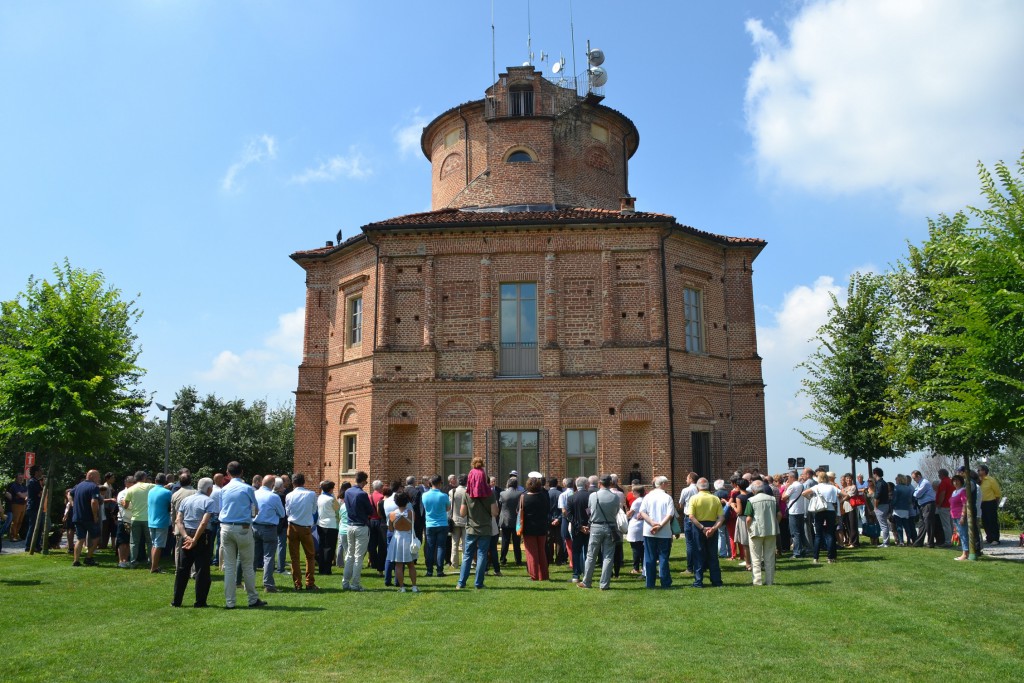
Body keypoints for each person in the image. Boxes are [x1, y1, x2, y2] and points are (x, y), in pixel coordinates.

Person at [218, 461, 265, 609]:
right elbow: (255, 508)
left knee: (230, 567)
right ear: (242, 472)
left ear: (227, 472)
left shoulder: (223, 490)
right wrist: (250, 518)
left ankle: (230, 602)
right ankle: (252, 599)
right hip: (243, 528)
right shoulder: (247, 488)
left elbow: (221, 508)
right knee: (247, 565)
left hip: (226, 527)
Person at [172, 477, 217, 608]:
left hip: (186, 534)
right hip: (202, 536)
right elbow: (204, 522)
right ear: (209, 489)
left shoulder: (186, 500)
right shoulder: (209, 501)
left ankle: (177, 600)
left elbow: (178, 520)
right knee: (202, 570)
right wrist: (195, 540)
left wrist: (186, 537)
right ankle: (200, 601)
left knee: (182, 569)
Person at [578, 474, 620, 590]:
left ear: (599, 483)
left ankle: (586, 582)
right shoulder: (615, 497)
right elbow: (616, 511)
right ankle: (604, 584)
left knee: (591, 555)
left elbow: (590, 510)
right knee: (608, 556)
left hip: (596, 527)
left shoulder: (593, 495)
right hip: (611, 527)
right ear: (611, 483)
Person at [457, 473, 498, 590]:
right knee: (482, 555)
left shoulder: (468, 493)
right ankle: (478, 583)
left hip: (471, 528)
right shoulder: (490, 494)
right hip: (485, 528)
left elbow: (462, 513)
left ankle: (461, 583)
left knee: (467, 555)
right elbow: (495, 513)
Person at [638, 475, 676, 589]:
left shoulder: (648, 497)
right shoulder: (667, 497)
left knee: (650, 557)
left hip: (649, 531)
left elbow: (642, 512)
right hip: (664, 532)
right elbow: (670, 514)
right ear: (663, 484)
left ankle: (650, 583)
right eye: (667, 483)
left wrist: (652, 522)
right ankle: (665, 582)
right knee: (663, 557)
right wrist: (659, 525)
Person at [687, 478, 725, 588]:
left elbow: (691, 516)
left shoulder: (694, 498)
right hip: (712, 525)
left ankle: (698, 581)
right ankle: (716, 581)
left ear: (698, 487)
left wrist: (702, 528)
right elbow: (721, 517)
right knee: (713, 554)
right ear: (708, 486)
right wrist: (713, 528)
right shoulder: (715, 498)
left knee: (698, 554)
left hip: (698, 527)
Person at [285, 473, 319, 592]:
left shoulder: (289, 495)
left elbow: (287, 512)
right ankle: (309, 583)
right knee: (310, 556)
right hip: (305, 527)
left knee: (294, 557)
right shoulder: (311, 494)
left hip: (292, 527)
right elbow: (314, 510)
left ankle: (297, 584)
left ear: (293, 483)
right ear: (304, 482)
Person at [253, 473, 286, 592]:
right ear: (273, 485)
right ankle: (268, 584)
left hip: (254, 527)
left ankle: (249, 583)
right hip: (269, 528)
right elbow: (282, 514)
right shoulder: (274, 497)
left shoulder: (254, 493)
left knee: (253, 557)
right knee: (268, 557)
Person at [745, 479, 780, 585]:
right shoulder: (772, 499)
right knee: (769, 557)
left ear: (753, 490)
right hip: (771, 530)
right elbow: (779, 515)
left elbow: (748, 518)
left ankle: (757, 581)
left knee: (756, 557)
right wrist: (774, 523)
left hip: (756, 530)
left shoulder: (751, 500)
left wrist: (748, 528)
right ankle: (770, 581)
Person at [343, 471, 373, 592]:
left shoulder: (347, 492)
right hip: (360, 526)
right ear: (363, 480)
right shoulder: (362, 494)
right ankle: (355, 584)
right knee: (358, 556)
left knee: (350, 555)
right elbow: (370, 510)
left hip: (349, 525)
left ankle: (345, 582)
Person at [803, 471, 839, 564]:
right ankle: (830, 557)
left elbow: (804, 493)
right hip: (830, 510)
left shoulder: (817, 487)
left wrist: (812, 499)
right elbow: (844, 494)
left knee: (818, 534)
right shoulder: (832, 487)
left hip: (819, 510)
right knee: (830, 534)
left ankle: (816, 557)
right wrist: (840, 500)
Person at [519, 475, 551, 581]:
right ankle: (544, 575)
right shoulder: (544, 496)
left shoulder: (524, 497)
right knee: (542, 551)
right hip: (542, 527)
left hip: (529, 528)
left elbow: (518, 511)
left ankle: (534, 575)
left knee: (531, 552)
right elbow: (547, 510)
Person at [70, 469, 103, 567]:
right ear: (92, 476)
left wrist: (73, 504)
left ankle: (76, 560)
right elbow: (94, 502)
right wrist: (95, 515)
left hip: (77, 516)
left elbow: (69, 494)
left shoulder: (78, 486)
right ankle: (88, 557)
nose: (99, 479)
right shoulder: (94, 487)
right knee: (96, 537)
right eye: (98, 476)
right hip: (89, 517)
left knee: (80, 539)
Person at [123, 471, 156, 567]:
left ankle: (133, 561)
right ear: (144, 478)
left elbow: (125, 506)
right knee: (150, 541)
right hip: (147, 518)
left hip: (135, 518)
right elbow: (160, 487)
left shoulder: (131, 489)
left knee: (134, 542)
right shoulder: (149, 486)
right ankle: (151, 560)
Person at [421, 475, 450, 578]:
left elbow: (425, 507)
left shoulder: (424, 495)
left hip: (429, 524)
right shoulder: (444, 496)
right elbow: (448, 508)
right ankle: (439, 571)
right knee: (441, 547)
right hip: (442, 523)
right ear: (439, 483)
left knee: (430, 548)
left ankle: (429, 571)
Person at [567, 476, 591, 583]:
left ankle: (576, 575)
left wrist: (579, 526)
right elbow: (592, 513)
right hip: (589, 528)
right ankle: (587, 574)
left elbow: (569, 515)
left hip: (576, 529)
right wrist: (587, 526)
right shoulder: (591, 496)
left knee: (576, 552)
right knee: (588, 552)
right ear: (586, 485)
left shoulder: (571, 498)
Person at [147, 473, 172, 572]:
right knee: (158, 545)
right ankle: (154, 567)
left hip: (151, 520)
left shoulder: (151, 491)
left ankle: (153, 565)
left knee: (154, 544)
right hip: (162, 521)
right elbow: (171, 506)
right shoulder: (167, 492)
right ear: (165, 481)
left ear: (155, 480)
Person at [676, 472, 699, 575]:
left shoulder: (686, 490)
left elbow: (680, 504)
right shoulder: (700, 489)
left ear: (691, 479)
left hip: (689, 517)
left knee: (689, 543)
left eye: (687, 478)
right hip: (699, 517)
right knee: (699, 542)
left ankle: (690, 568)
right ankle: (701, 565)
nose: (686, 480)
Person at [316, 481, 340, 575]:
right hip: (331, 525)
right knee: (330, 548)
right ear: (331, 489)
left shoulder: (320, 497)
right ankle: (327, 569)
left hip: (321, 523)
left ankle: (321, 568)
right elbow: (338, 509)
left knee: (322, 547)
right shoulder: (331, 499)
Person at [498, 477, 523, 566]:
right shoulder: (520, 494)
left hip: (505, 520)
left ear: (508, 484)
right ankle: (518, 560)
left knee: (505, 541)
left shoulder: (502, 494)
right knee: (517, 542)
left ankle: (503, 559)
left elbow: (500, 505)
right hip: (517, 521)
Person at [730, 478, 752, 571]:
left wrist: (733, 506)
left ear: (738, 486)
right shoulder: (751, 494)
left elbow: (739, 512)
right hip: (751, 517)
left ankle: (748, 564)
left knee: (745, 543)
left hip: (743, 519)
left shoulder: (739, 497)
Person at [911, 470, 937, 548]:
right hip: (922, 505)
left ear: (919, 476)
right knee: (922, 523)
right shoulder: (919, 484)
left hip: (928, 504)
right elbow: (915, 493)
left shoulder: (924, 483)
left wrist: (915, 493)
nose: (914, 480)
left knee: (928, 523)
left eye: (914, 478)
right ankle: (919, 542)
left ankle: (930, 542)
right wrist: (915, 493)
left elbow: (917, 494)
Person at [23, 465, 45, 553]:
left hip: (38, 506)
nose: (41, 472)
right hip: (33, 507)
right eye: (40, 470)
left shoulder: (36, 481)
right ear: (36, 472)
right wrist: (43, 487)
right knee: (33, 527)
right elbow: (40, 493)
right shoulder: (33, 482)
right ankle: (28, 546)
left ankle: (37, 545)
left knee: (39, 527)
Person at [978, 465, 1002, 544]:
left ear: (984, 471)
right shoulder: (978, 481)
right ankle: (989, 537)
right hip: (982, 503)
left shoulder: (991, 480)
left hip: (990, 502)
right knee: (985, 521)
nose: (978, 472)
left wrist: (996, 503)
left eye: (980, 470)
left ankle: (995, 538)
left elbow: (997, 493)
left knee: (992, 521)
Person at [367, 480, 387, 575]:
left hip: (371, 521)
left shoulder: (369, 496)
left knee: (372, 543)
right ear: (380, 487)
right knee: (381, 543)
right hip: (379, 521)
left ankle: (373, 562)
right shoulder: (381, 497)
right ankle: (379, 563)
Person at [449, 474, 468, 568]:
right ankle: (465, 562)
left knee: (454, 543)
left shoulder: (452, 491)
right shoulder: (468, 491)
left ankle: (454, 563)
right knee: (465, 543)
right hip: (466, 520)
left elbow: (450, 507)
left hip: (455, 520)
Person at [626, 485, 645, 575]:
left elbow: (630, 514)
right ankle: (642, 567)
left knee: (635, 548)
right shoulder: (645, 500)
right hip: (643, 525)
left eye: (634, 492)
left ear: (638, 492)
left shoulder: (636, 502)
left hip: (636, 525)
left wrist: (626, 513)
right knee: (642, 547)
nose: (632, 493)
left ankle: (635, 568)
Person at [872, 468, 892, 548]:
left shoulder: (879, 484)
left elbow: (877, 496)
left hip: (881, 506)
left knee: (883, 525)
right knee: (884, 524)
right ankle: (886, 542)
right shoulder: (884, 483)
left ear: (875, 474)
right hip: (885, 504)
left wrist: (875, 507)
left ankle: (886, 542)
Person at [935, 468, 954, 548]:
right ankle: (952, 539)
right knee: (951, 524)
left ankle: (947, 541)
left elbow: (942, 494)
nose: (939, 476)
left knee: (946, 525)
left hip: (945, 505)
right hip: (951, 505)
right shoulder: (951, 481)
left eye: (939, 474)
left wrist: (939, 503)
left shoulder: (943, 482)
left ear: (942, 475)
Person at [6, 473, 28, 542]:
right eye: (19, 477)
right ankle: (12, 536)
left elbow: (27, 495)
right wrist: (24, 495)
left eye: (22, 477)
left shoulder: (24, 486)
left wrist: (23, 495)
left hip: (23, 505)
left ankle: (16, 535)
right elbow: (21, 495)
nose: (21, 479)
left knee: (20, 521)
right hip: (16, 505)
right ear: (16, 478)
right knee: (15, 521)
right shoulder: (14, 486)